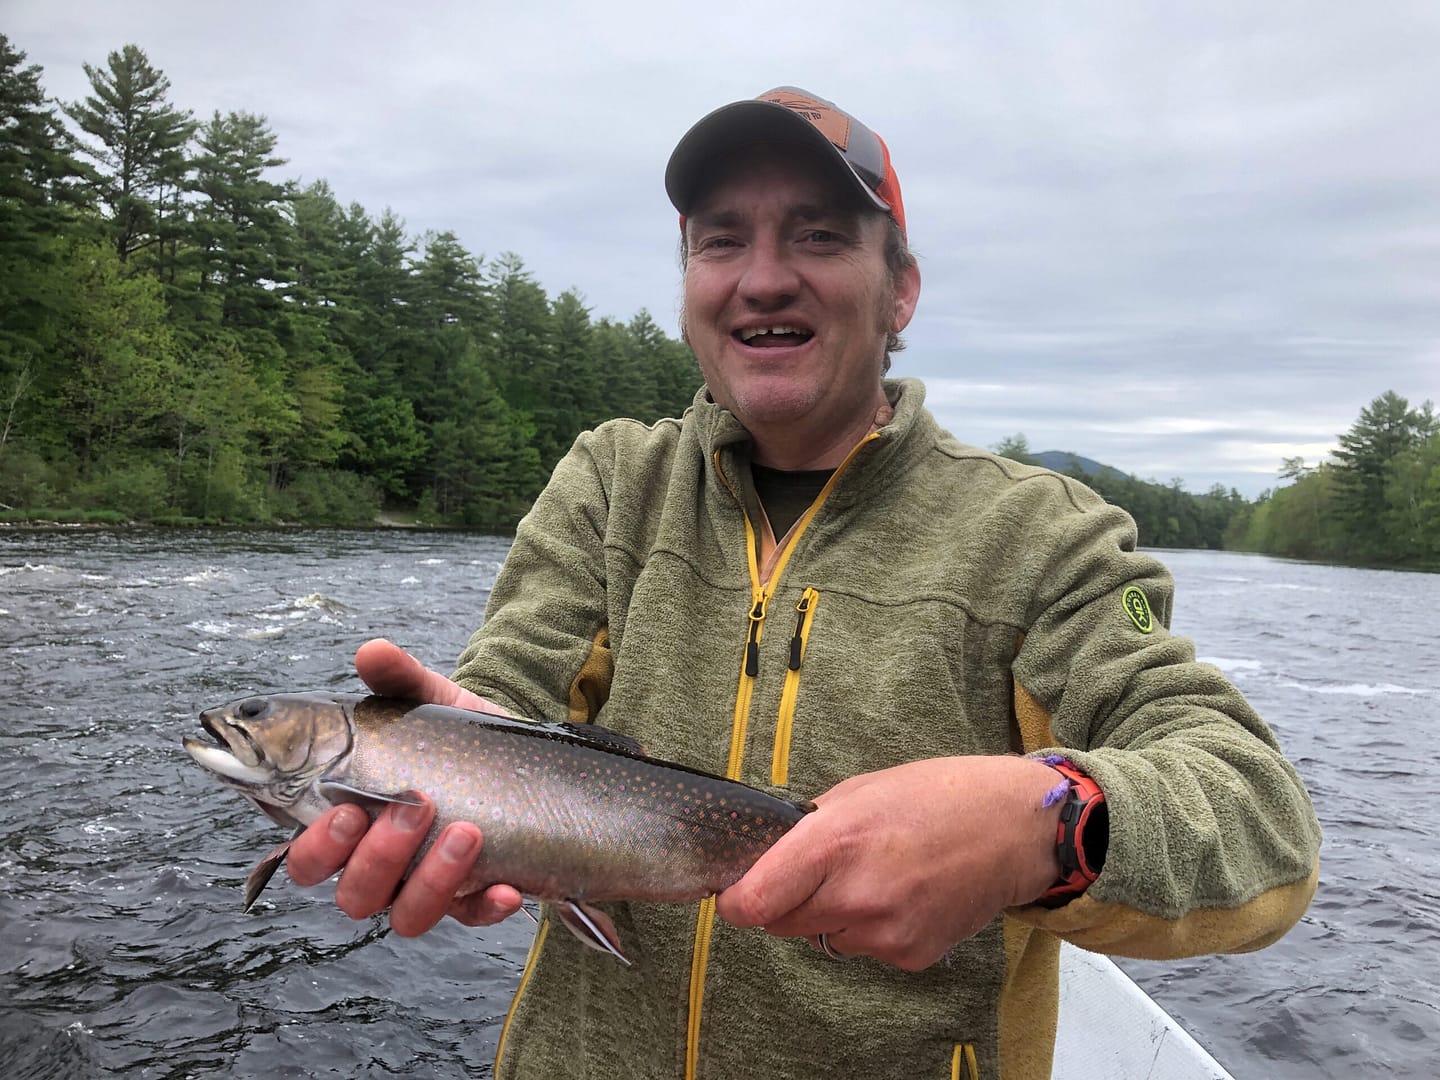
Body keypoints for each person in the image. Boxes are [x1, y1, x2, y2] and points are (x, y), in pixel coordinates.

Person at [286, 87, 1321, 1079]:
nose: (764, 277)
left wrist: (1042, 825)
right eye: (721, 238)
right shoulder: (612, 481)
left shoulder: (1046, 539)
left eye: (819, 235)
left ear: (901, 288)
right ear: (690, 276)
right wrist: (459, 779)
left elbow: (1260, 822)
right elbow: (511, 695)